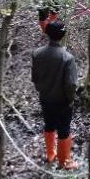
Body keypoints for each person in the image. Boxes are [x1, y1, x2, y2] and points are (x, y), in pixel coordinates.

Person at [31, 19, 80, 170]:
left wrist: (42, 90)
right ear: (63, 35)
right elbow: (71, 84)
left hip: (45, 97)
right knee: (64, 129)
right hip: (62, 100)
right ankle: (64, 161)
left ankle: (50, 154)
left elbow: (35, 78)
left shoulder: (37, 53)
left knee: (49, 125)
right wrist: (71, 99)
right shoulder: (67, 58)